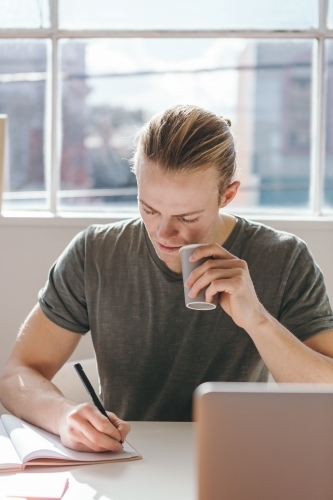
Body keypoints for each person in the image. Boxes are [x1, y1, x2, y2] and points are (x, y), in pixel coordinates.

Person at [1, 105, 333, 453]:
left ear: (227, 195)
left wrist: (258, 320)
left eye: (187, 216)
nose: (164, 233)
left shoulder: (283, 258)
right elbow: (17, 373)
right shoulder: (95, 253)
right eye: (149, 209)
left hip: (233, 456)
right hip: (124, 458)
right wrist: (63, 416)